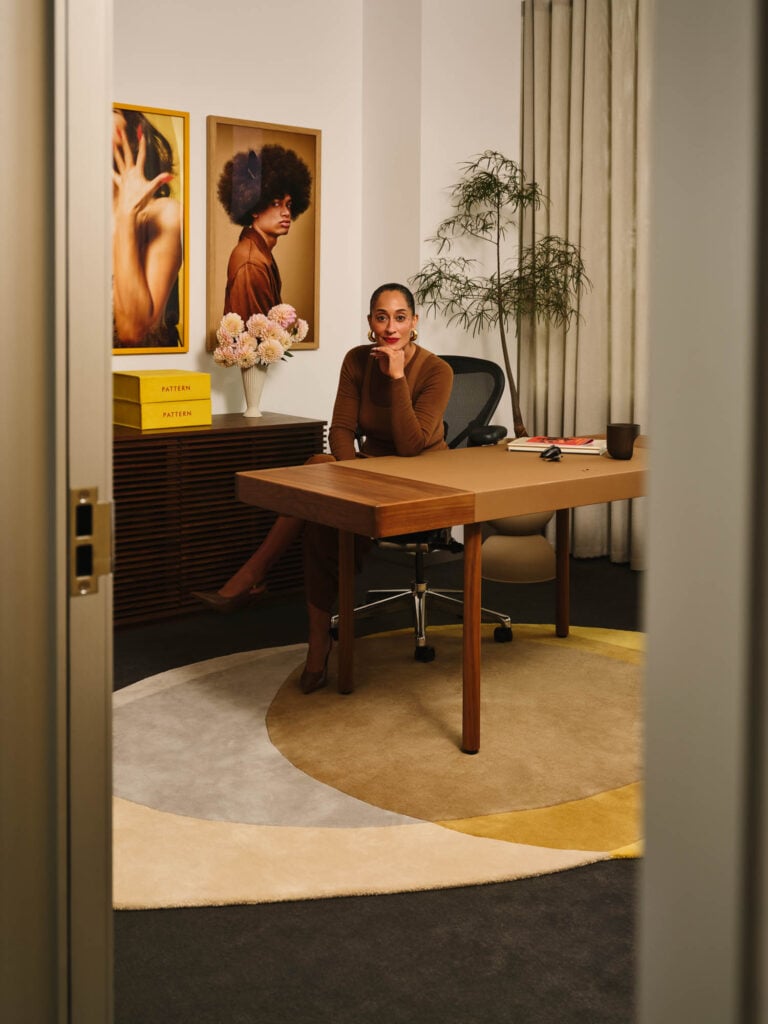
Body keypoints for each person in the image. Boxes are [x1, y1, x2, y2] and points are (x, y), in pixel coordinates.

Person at [192, 283, 453, 693]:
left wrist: (398, 376)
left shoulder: (438, 372)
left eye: (400, 317)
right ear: (370, 322)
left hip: (421, 480)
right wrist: (351, 484)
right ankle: (317, 638)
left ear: (414, 323)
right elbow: (342, 431)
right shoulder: (355, 361)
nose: (391, 327)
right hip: (368, 471)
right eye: (381, 317)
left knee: (317, 476)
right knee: (321, 507)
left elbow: (412, 444)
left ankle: (257, 580)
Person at [211, 144, 312, 347]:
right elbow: (256, 339)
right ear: (254, 207)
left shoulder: (259, 252)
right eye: (275, 203)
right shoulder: (251, 262)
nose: (286, 213)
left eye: (288, 204)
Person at [112, 108, 183, 347]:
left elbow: (133, 332)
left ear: (134, 134)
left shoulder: (164, 212)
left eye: (111, 110)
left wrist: (126, 215)